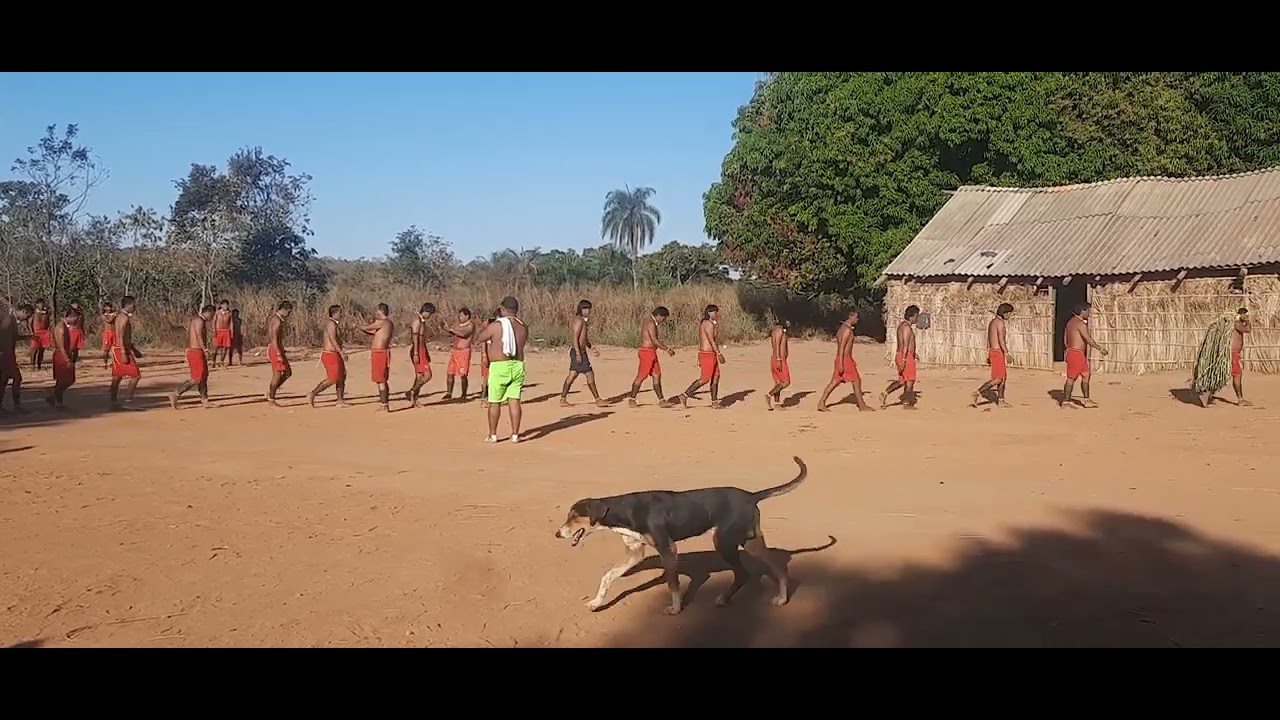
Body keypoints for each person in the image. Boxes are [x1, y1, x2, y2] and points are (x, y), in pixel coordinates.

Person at [474, 296, 528, 442]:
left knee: (494, 401)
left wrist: (485, 326)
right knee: (514, 400)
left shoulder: (497, 325)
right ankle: (515, 434)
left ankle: (493, 434)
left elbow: (481, 337)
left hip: (500, 366)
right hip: (517, 365)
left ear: (503, 309)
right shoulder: (523, 326)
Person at [667, 305, 725, 409]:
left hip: (710, 354)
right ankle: (684, 395)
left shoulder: (710, 323)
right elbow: (711, 340)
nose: (716, 314)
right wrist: (719, 353)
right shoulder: (707, 324)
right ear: (709, 313)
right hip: (707, 354)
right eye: (714, 312)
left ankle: (714, 401)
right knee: (704, 379)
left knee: (716, 377)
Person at [817, 310, 874, 412]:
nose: (857, 320)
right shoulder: (847, 330)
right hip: (845, 359)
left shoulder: (842, 329)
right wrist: (841, 362)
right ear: (850, 317)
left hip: (842, 358)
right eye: (856, 317)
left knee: (835, 381)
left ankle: (821, 402)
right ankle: (861, 405)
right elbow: (842, 347)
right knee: (856, 380)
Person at [1060, 302, 1108, 409]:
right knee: (1071, 378)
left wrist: (1068, 349)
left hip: (1075, 353)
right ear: (1083, 311)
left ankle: (1087, 400)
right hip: (1076, 353)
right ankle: (1066, 402)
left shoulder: (1070, 323)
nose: (1089, 314)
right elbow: (1088, 339)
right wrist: (1100, 348)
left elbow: (1065, 339)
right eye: (1088, 311)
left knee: (1086, 375)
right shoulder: (1080, 324)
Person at [560, 299, 605, 408]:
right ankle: (598, 399)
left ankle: (563, 398)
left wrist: (591, 347)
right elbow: (575, 338)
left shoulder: (583, 321)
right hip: (578, 351)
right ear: (581, 309)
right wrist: (578, 353)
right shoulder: (579, 321)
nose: (588, 311)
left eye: (589, 309)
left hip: (581, 350)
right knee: (589, 374)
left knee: (573, 375)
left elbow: (584, 338)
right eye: (585, 309)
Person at [169, 305, 215, 410]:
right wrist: (205, 349)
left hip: (195, 351)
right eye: (212, 315)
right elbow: (198, 335)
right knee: (197, 378)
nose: (212, 317)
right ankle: (176, 394)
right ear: (208, 312)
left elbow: (189, 337)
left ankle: (205, 401)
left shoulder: (196, 320)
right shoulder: (199, 321)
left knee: (203, 377)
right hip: (196, 352)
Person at [628, 306, 675, 407]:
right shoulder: (651, 323)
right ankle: (632, 399)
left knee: (657, 375)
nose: (664, 320)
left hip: (651, 352)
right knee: (641, 376)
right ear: (658, 316)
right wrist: (667, 349)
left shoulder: (649, 322)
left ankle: (661, 400)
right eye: (663, 318)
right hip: (647, 353)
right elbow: (654, 340)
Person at [308, 304, 351, 408]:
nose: (342, 314)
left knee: (342, 376)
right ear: (335, 313)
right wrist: (341, 352)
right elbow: (333, 339)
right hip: (330, 354)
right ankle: (313, 393)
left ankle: (340, 400)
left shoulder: (335, 324)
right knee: (333, 378)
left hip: (335, 353)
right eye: (340, 312)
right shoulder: (331, 324)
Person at [972, 303, 1014, 408]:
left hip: (993, 351)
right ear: (1004, 313)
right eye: (1009, 314)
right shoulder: (1000, 323)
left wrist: (988, 353)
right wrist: (1007, 352)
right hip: (997, 352)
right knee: (998, 379)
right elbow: (1001, 339)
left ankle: (1001, 400)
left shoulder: (992, 322)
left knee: (1003, 378)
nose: (1009, 316)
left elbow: (989, 339)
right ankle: (978, 392)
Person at [881, 305, 922, 410]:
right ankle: (906, 403)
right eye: (916, 316)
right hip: (905, 356)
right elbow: (905, 344)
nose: (917, 319)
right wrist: (904, 358)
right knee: (910, 380)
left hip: (904, 355)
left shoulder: (902, 326)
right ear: (912, 316)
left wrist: (913, 353)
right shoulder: (906, 327)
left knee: (902, 380)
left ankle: (885, 393)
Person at [360, 303, 395, 411]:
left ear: (381, 311)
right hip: (381, 352)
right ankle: (384, 404)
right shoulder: (388, 323)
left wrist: (356, 325)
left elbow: (367, 327)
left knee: (381, 379)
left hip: (379, 353)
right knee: (381, 379)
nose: (376, 313)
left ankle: (384, 405)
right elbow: (372, 331)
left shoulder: (382, 322)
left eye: (377, 311)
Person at [109, 295, 143, 408]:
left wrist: (133, 349)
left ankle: (113, 400)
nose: (134, 307)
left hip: (120, 348)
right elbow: (120, 336)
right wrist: (123, 352)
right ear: (128, 305)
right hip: (121, 350)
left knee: (117, 376)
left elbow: (124, 337)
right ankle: (128, 401)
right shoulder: (123, 318)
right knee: (136, 375)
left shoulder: (120, 317)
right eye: (133, 305)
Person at [0, 303, 33, 413]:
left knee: (3, 381)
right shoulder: (9, 321)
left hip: (7, 353)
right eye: (27, 317)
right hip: (5, 354)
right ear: (23, 311)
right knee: (17, 378)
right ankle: (17, 406)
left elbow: (13, 337)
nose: (25, 319)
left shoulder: (11, 320)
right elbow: (4, 339)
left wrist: (27, 337)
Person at [44, 307, 78, 409]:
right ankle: (56, 399)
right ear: (69, 317)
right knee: (66, 380)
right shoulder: (61, 328)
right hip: (61, 355)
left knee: (64, 380)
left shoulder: (64, 326)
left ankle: (55, 398)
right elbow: (61, 346)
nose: (76, 320)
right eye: (74, 318)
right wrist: (67, 359)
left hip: (63, 354)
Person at [405, 303, 435, 407]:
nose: (430, 316)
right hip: (418, 350)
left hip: (422, 350)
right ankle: (412, 391)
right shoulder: (417, 321)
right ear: (425, 311)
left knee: (419, 376)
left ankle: (414, 399)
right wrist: (416, 353)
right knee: (427, 375)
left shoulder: (422, 321)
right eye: (429, 314)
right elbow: (415, 337)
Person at [443, 307, 476, 401]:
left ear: (467, 316)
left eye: (461, 315)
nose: (459, 317)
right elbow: (452, 333)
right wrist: (445, 328)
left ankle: (463, 394)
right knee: (450, 372)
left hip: (464, 352)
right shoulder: (458, 325)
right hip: (455, 351)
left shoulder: (470, 325)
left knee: (463, 374)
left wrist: (452, 330)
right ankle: (449, 393)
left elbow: (464, 334)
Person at [265, 301, 293, 407]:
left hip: (277, 348)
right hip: (275, 348)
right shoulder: (277, 321)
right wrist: (278, 353)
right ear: (284, 310)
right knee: (277, 374)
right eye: (288, 312)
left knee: (287, 372)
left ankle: (271, 392)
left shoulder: (275, 319)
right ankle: (271, 398)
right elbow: (274, 339)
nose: (289, 315)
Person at [765, 319, 792, 410]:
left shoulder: (778, 331)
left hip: (777, 359)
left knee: (778, 383)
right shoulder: (779, 331)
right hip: (779, 359)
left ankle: (777, 404)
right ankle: (769, 395)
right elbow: (776, 345)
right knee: (786, 382)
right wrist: (779, 359)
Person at [1230, 307, 1253, 407]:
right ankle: (1240, 400)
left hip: (1234, 353)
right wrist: (1247, 321)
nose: (1246, 317)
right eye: (1245, 315)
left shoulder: (1236, 323)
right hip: (1233, 353)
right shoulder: (1237, 324)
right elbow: (1248, 329)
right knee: (1237, 375)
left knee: (1236, 374)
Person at [476, 313, 495, 408]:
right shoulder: (488, 328)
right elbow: (483, 341)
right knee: (486, 378)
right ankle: (483, 398)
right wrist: (484, 355)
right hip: (488, 356)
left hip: (496, 357)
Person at [30, 298, 50, 371]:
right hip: (36, 333)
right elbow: (30, 323)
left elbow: (48, 323)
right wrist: (31, 332)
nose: (41, 305)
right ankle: (32, 365)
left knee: (41, 350)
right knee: (34, 350)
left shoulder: (46, 313)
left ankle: (39, 365)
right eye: (40, 304)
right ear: (36, 305)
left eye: (42, 303)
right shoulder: (34, 313)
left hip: (44, 333)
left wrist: (47, 332)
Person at [212, 299, 233, 368]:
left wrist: (231, 332)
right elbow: (214, 322)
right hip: (218, 331)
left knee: (225, 348)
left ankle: (221, 361)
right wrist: (214, 330)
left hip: (226, 331)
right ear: (221, 305)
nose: (225, 306)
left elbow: (231, 323)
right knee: (216, 347)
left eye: (227, 305)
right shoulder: (217, 313)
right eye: (224, 305)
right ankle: (213, 361)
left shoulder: (229, 313)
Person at [100, 302, 118, 370]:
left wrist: (114, 314)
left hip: (114, 332)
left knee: (115, 349)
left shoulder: (114, 313)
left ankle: (115, 363)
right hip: (107, 333)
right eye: (107, 307)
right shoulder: (104, 315)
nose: (108, 308)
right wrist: (110, 315)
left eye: (109, 307)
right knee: (106, 350)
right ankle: (105, 363)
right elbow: (108, 321)